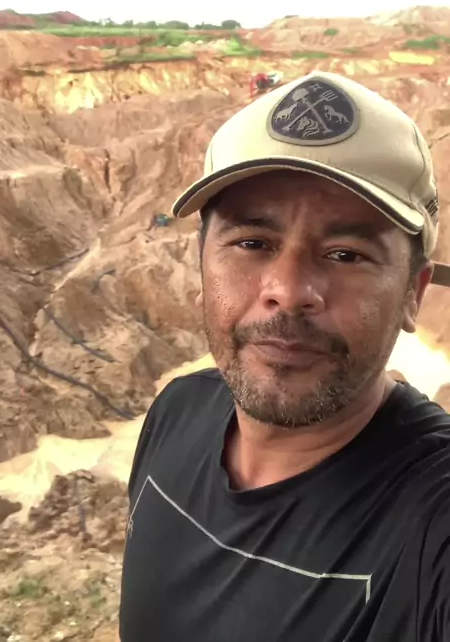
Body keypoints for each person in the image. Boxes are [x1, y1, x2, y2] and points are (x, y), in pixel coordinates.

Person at [119, 71, 450, 642]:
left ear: (411, 295)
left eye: (346, 254)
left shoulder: (432, 521)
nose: (289, 290)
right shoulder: (175, 412)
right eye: (252, 243)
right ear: (201, 265)